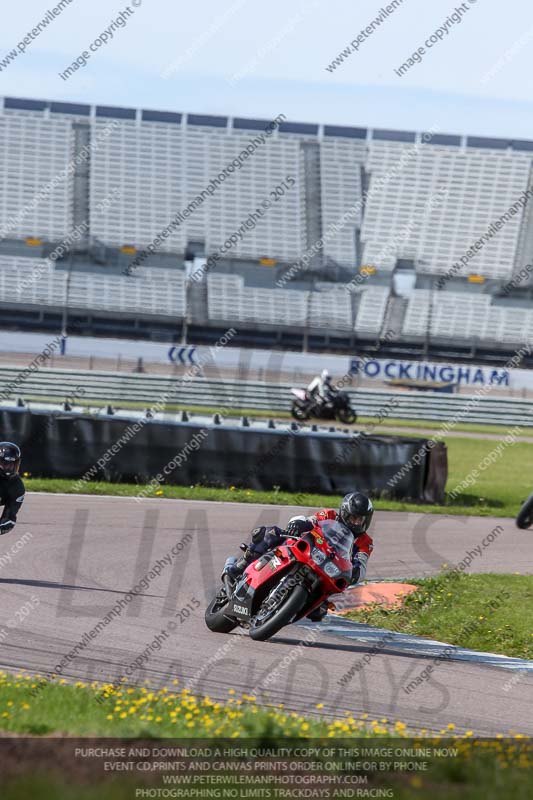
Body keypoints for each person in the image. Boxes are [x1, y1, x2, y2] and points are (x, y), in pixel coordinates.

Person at [223, 492, 374, 621]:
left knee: (319, 612)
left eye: (360, 519)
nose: (356, 522)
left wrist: (356, 573)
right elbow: (309, 521)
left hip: (327, 570)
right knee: (271, 534)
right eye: (353, 517)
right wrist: (298, 523)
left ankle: (285, 609)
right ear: (344, 513)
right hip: (306, 550)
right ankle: (239, 566)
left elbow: (362, 564)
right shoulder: (329, 515)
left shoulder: (365, 542)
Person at [0, 443, 25, 535]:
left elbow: (9, 519)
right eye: (5, 463)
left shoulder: (17, 487)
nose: (9, 468)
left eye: (12, 464)